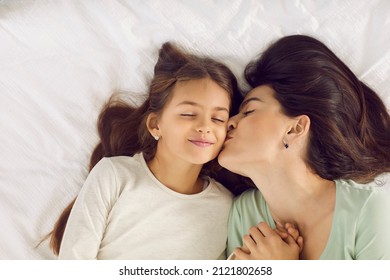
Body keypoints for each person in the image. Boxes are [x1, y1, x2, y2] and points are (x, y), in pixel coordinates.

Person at [48, 42, 243, 259]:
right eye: (188, 114)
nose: (205, 126)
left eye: (218, 118)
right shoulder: (114, 176)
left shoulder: (226, 207)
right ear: (155, 125)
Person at [218, 34, 390, 260]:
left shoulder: (369, 210)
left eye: (249, 111)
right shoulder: (242, 212)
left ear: (295, 128)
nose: (230, 121)